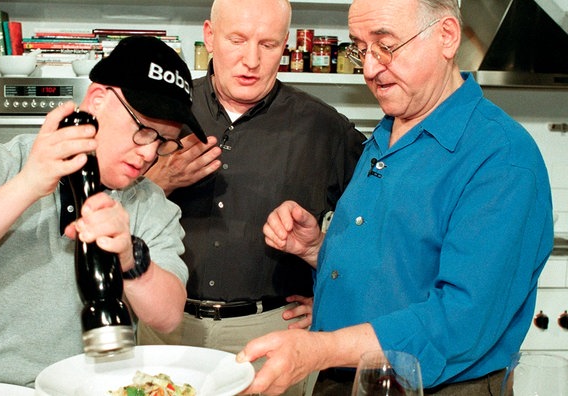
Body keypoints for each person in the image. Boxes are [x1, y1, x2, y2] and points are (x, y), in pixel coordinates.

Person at [236, 0, 554, 395]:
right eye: (360, 48)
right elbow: (400, 266)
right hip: (346, 375)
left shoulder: (502, 158)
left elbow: (462, 319)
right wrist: (319, 249)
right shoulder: (387, 134)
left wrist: (320, 348)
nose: (369, 69)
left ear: (447, 37)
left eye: (385, 46)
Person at [0, 36, 207, 387]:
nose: (149, 154)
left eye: (163, 142)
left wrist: (130, 257)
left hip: (86, 388)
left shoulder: (149, 203)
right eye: (143, 131)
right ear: (98, 100)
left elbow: (168, 317)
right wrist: (29, 184)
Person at [138, 0, 365, 394]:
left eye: (268, 44)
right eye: (237, 40)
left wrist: (335, 296)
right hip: (163, 333)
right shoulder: (158, 113)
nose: (251, 60)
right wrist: (155, 182)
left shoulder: (327, 129)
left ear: (286, 45)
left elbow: (379, 234)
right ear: (209, 36)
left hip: (269, 338)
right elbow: (96, 210)